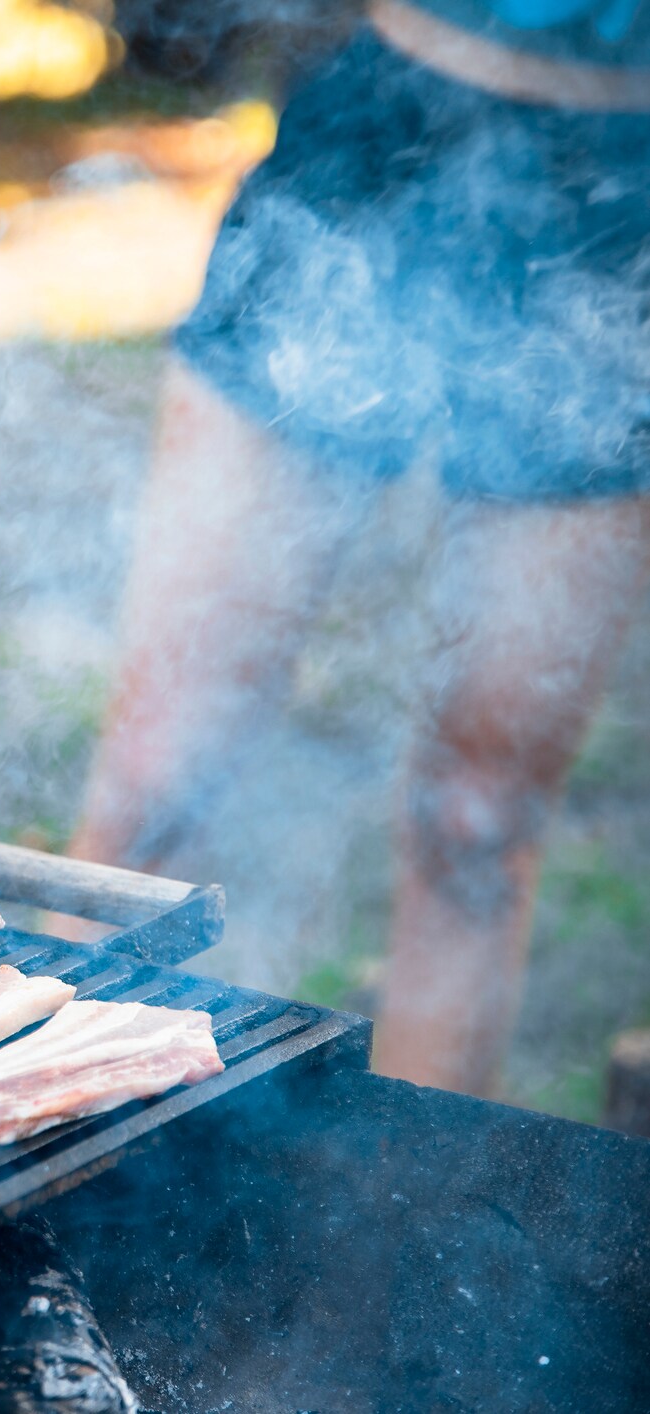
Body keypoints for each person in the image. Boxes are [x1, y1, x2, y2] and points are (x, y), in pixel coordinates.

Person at [68, 0, 650, 1099]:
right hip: (375, 141)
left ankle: (411, 1237)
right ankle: (26, 1197)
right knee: (153, 790)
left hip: (624, 213)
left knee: (475, 826)